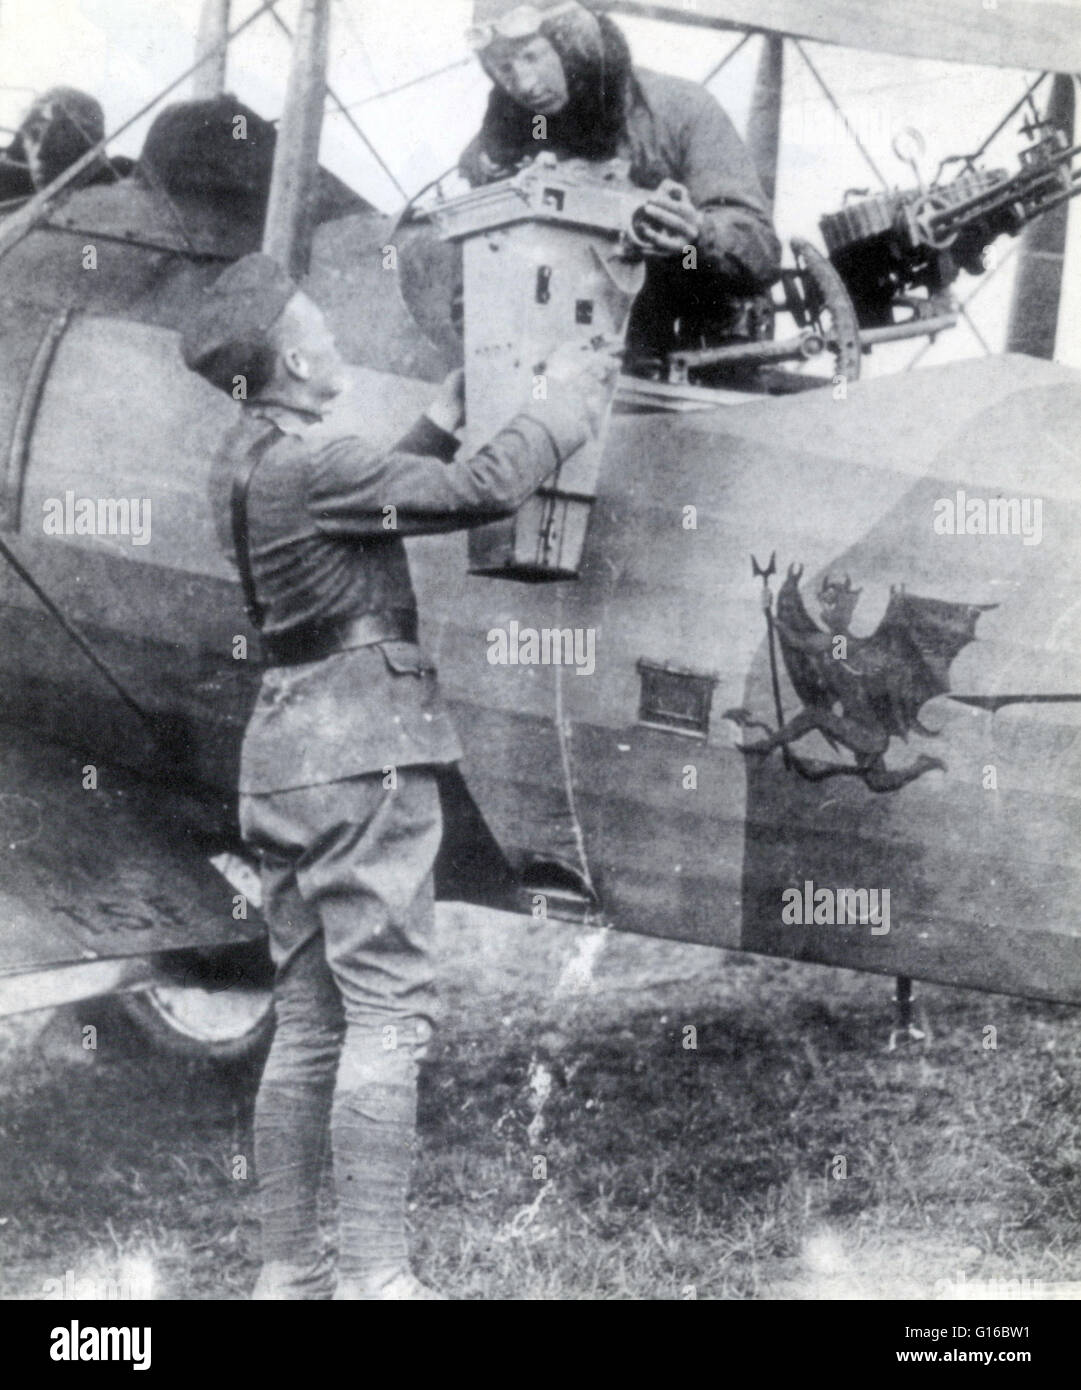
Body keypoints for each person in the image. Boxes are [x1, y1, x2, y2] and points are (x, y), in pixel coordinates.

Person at [181, 253, 617, 1300]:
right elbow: (481, 489)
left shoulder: (248, 462)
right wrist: (565, 400)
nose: (334, 335)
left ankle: (286, 1274)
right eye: (320, 325)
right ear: (291, 356)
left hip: (285, 754)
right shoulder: (317, 463)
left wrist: (437, 413)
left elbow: (365, 512)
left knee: (312, 1017)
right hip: (364, 751)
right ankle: (380, 1281)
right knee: (386, 1017)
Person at [460, 0, 782, 362]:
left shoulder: (681, 111)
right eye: (503, 68)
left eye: (533, 57)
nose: (524, 84)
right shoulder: (505, 140)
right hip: (557, 356)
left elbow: (762, 254)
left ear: (575, 46)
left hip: (681, 353)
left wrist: (697, 234)